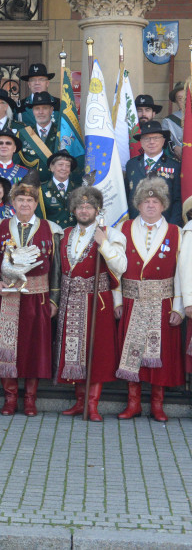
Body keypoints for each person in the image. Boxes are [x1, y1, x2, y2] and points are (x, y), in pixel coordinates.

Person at [0, 178, 61, 417]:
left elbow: (57, 268)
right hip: (7, 295)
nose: (25, 204)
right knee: (7, 349)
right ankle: (10, 399)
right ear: (13, 202)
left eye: (29, 200)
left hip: (37, 298)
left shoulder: (52, 229)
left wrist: (54, 300)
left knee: (33, 349)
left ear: (36, 204)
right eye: (20, 199)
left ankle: (29, 400)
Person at [117, 178, 183, 422]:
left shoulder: (175, 232)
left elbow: (182, 272)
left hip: (163, 303)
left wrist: (179, 306)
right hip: (131, 300)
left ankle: (157, 405)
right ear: (139, 204)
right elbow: (115, 270)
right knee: (131, 354)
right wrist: (116, 301)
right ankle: (133, 403)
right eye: (146, 201)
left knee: (160, 356)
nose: (151, 205)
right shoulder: (124, 228)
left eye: (155, 201)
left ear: (164, 205)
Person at [56, 187, 125, 422]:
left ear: (97, 210)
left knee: (96, 352)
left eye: (89, 206)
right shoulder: (64, 234)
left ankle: (92, 404)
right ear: (74, 210)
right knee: (73, 353)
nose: (84, 210)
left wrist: (104, 244)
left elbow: (121, 266)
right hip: (69, 300)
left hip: (97, 301)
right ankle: (79, 402)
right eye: (80, 206)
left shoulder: (111, 233)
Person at [124, 120, 182, 224]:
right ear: (141, 142)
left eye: (156, 138)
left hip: (164, 225)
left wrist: (172, 227)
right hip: (135, 225)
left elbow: (177, 200)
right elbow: (126, 197)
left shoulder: (174, 166)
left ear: (163, 141)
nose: (151, 142)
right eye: (147, 139)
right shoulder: (131, 165)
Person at [38, 151, 79, 228]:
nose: (64, 168)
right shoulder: (41, 190)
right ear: (52, 167)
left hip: (73, 235)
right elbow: (39, 218)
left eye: (67, 166)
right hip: (51, 235)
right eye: (60, 165)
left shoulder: (78, 190)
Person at [17, 63, 58, 128]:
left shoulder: (58, 104)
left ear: (47, 83)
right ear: (29, 84)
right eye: (33, 80)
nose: (37, 83)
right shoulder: (20, 106)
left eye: (41, 79)